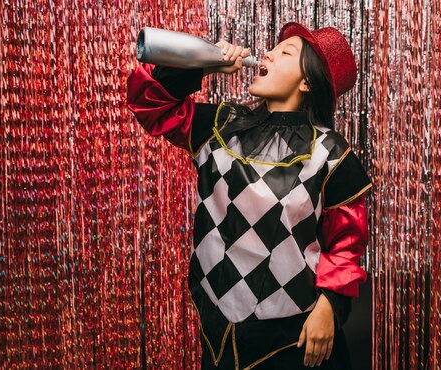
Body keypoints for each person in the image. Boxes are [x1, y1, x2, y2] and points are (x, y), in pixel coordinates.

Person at [127, 21, 372, 370]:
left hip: (294, 340)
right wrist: (205, 63)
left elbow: (345, 245)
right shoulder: (220, 126)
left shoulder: (331, 153)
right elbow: (149, 103)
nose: (267, 54)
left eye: (285, 52)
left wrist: (329, 306)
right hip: (219, 334)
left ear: (307, 82)